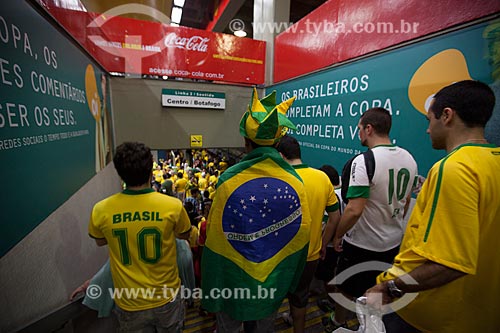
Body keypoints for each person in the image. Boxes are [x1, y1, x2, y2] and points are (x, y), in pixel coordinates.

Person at [366, 80, 500, 333]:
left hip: (432, 316)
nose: (428, 130)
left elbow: (450, 263)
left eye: (430, 120)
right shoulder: (491, 161)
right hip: (482, 313)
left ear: (447, 116)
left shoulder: (454, 168)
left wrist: (389, 288)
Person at [201, 88, 311, 333]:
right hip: (272, 279)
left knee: (229, 326)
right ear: (277, 141)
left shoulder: (229, 179)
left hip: (233, 279)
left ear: (245, 141)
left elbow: (216, 238)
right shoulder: (295, 181)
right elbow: (301, 234)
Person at [322, 107, 418, 330]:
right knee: (377, 289)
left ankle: (339, 322)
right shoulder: (408, 158)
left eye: (359, 129)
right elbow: (403, 205)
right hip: (392, 241)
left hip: (362, 243)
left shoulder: (364, 161)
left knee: (344, 287)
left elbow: (354, 210)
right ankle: (372, 325)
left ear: (369, 128)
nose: (358, 134)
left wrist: (337, 236)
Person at [88, 142, 192, 332]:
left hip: (129, 301)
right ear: (151, 169)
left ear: (120, 173)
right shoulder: (173, 206)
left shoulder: (101, 209)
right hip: (167, 298)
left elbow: (100, 240)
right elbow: (184, 234)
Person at [277, 135, 340, 333]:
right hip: (310, 255)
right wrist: (323, 243)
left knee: (271, 298)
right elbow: (335, 216)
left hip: (281, 256)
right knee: (300, 298)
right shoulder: (322, 178)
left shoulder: (278, 178)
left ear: (280, 155)